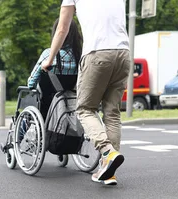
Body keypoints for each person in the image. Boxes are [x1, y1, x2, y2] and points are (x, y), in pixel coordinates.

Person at [41, 0, 131, 186]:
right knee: (112, 112)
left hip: (97, 53)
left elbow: (62, 28)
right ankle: (109, 172)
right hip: (123, 53)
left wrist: (50, 59)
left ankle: (107, 151)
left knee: (84, 109)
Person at [27, 18, 82, 120]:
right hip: (74, 107)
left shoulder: (48, 55)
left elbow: (31, 83)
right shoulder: (81, 56)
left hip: (47, 110)